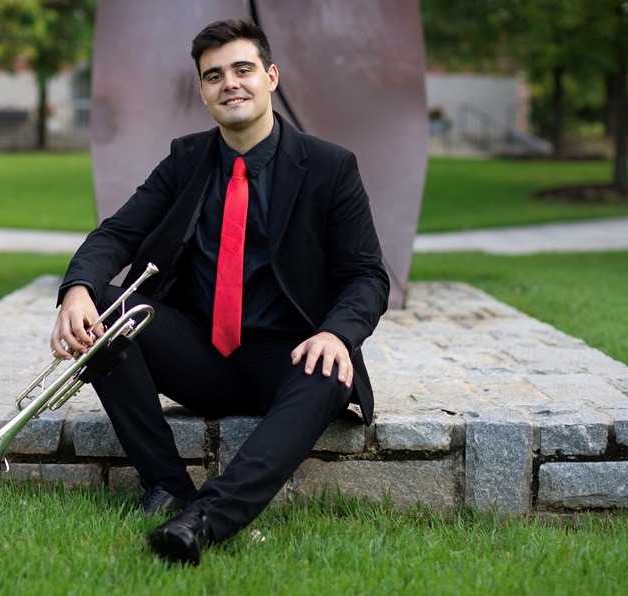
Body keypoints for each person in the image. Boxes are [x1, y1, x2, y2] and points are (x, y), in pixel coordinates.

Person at [50, 17, 389, 565]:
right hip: (203, 358)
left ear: (271, 77)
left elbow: (367, 275)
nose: (229, 83)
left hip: (291, 355)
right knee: (113, 312)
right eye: (214, 76)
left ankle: (205, 519)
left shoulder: (330, 167)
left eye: (243, 69)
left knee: (332, 369)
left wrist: (335, 332)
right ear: (203, 91)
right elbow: (117, 233)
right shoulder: (186, 160)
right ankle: (168, 487)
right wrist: (76, 290)